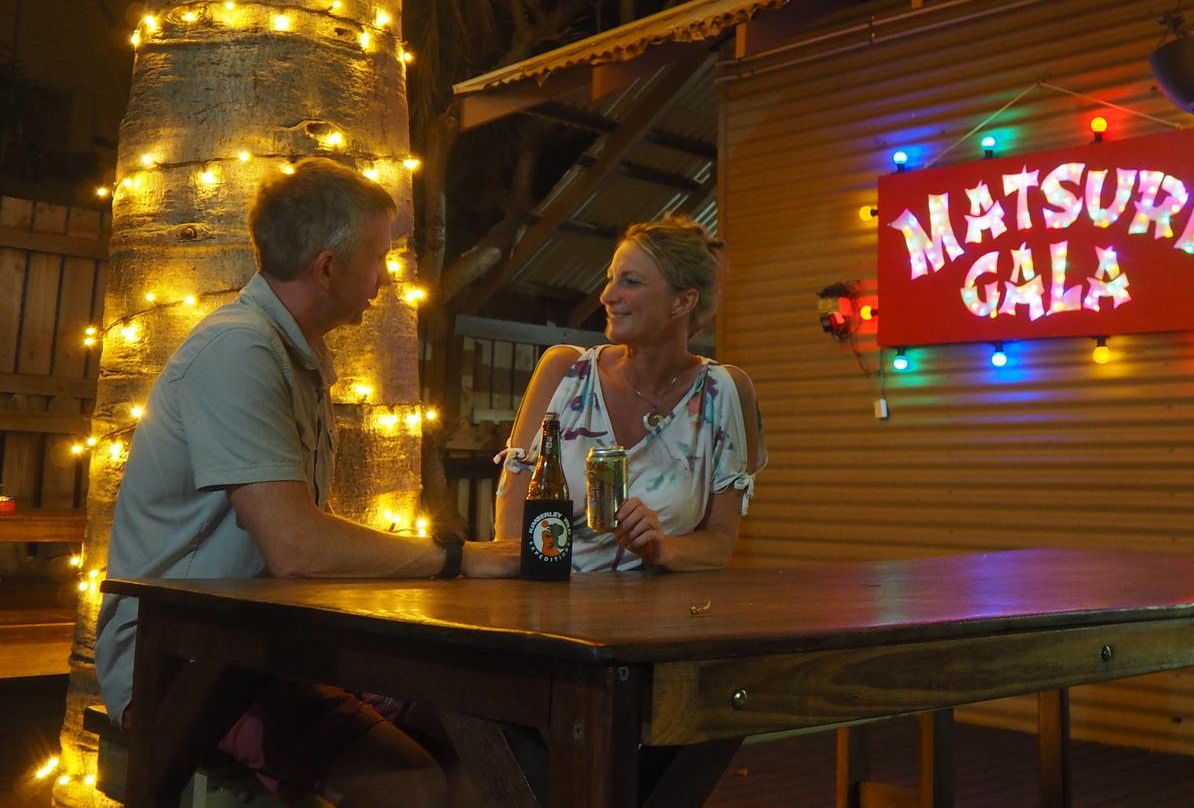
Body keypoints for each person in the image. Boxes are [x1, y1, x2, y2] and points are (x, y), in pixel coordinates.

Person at [96, 158, 518, 807]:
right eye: (378, 257)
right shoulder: (241, 350)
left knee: (485, 744)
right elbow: (297, 548)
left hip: (265, 651)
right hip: (182, 666)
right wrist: (459, 559)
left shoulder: (292, 351)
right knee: (408, 781)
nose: (385, 278)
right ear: (327, 267)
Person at [494, 215, 766, 572]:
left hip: (660, 619)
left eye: (630, 282)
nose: (607, 296)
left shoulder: (723, 393)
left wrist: (662, 548)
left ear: (682, 302)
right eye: (610, 280)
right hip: (552, 612)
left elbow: (719, 543)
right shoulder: (564, 374)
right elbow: (510, 533)